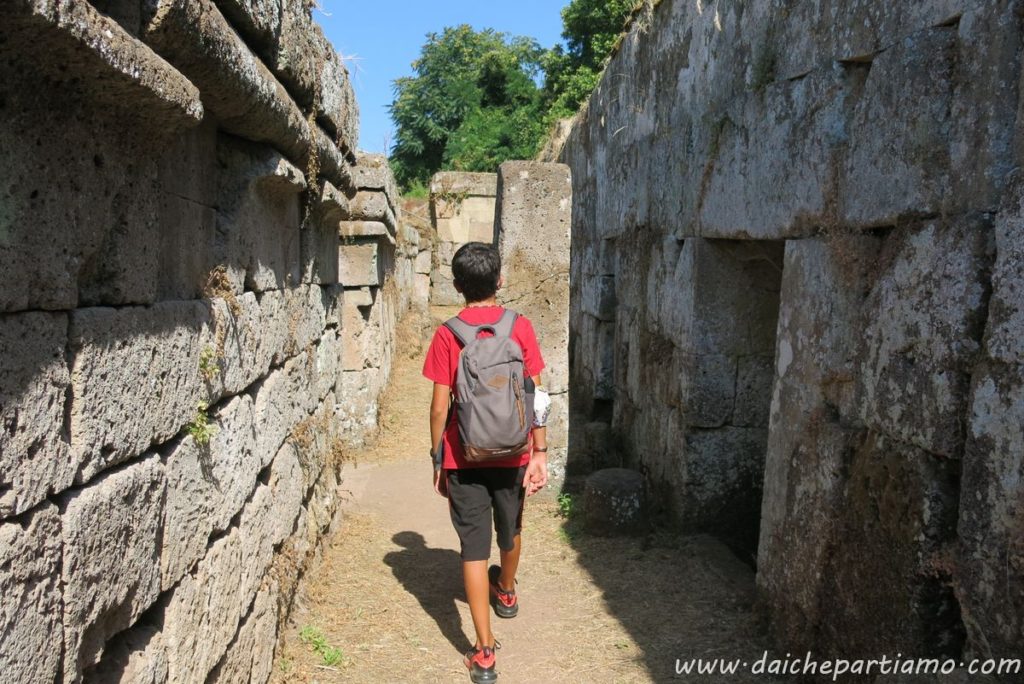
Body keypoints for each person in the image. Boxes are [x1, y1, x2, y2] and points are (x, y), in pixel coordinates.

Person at [422, 242, 549, 683]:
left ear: (457, 286)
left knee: (474, 549)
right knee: (510, 528)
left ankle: (484, 653)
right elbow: (538, 395)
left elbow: (440, 407)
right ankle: (508, 593)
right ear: (500, 281)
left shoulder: (448, 334)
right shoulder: (520, 327)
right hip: (514, 451)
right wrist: (541, 452)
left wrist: (438, 455)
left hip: (465, 453)